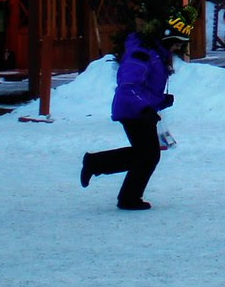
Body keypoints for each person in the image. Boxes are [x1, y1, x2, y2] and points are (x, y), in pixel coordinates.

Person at [80, 12, 188, 210]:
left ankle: (99, 166)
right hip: (132, 109)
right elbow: (129, 85)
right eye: (177, 43)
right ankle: (126, 195)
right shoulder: (143, 53)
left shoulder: (154, 54)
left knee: (145, 154)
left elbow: (145, 86)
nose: (178, 48)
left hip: (138, 108)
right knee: (149, 155)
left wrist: (160, 100)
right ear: (166, 39)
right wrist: (145, 107)